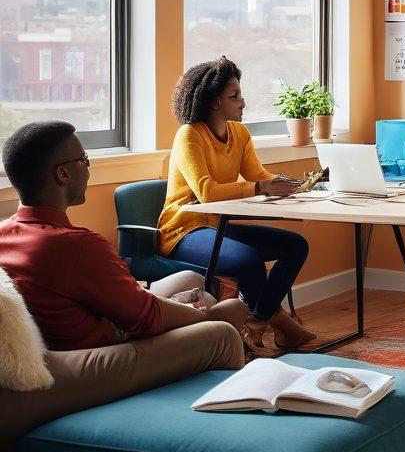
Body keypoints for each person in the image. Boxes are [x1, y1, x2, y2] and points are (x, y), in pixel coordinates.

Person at [0, 120, 248, 353]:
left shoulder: (5, 233)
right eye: (84, 160)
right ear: (62, 174)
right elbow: (145, 319)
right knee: (228, 320)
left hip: (85, 325)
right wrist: (208, 316)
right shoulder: (77, 245)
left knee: (189, 278)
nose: (88, 168)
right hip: (101, 353)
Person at [157, 56, 317, 353]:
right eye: (235, 96)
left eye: (240, 94)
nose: (243, 102)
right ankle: (278, 326)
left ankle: (256, 325)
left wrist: (296, 186)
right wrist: (260, 187)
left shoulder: (240, 134)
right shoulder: (190, 135)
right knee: (247, 260)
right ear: (215, 101)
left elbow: (259, 176)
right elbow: (206, 192)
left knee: (296, 245)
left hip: (219, 226)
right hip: (183, 231)